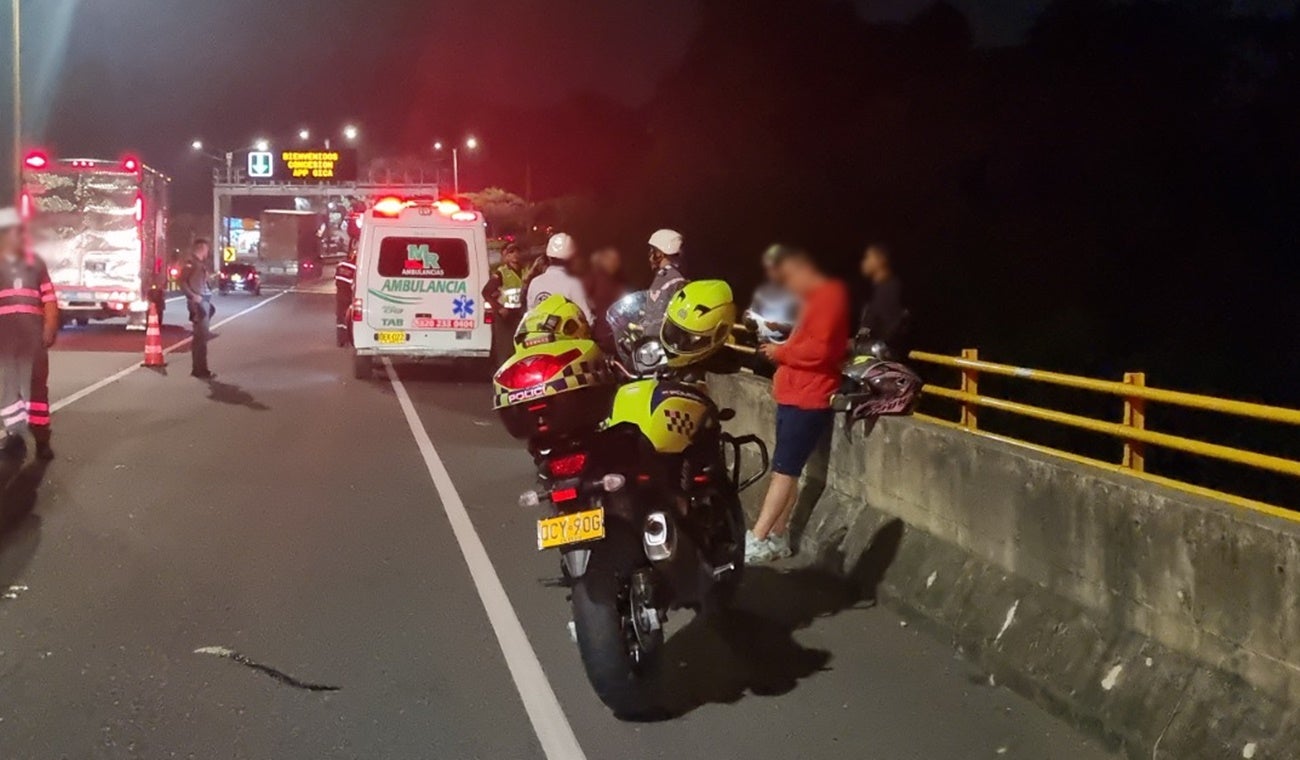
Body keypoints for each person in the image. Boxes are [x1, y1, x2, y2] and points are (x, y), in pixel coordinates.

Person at [749, 247, 849, 563]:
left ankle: (758, 538)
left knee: (783, 470)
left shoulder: (829, 298)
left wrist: (779, 353)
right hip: (794, 394)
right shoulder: (813, 300)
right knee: (788, 471)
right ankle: (778, 538)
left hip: (808, 398)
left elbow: (821, 351)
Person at [0, 207, 59, 460]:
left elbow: (49, 299)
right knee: (8, 388)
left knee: (36, 390)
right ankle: (14, 435)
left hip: (33, 339)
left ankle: (42, 437)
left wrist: (50, 327)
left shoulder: (35, 263)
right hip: (6, 339)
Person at [483, 243, 533, 362]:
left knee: (521, 347)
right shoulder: (501, 273)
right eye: (511, 253)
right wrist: (499, 308)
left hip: (521, 315)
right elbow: (486, 292)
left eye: (517, 252)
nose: (515, 255)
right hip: (505, 316)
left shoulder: (526, 271)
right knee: (505, 349)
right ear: (506, 256)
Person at [856, 243, 909, 357]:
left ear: (881, 260)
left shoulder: (891, 291)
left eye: (867, 257)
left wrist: (857, 345)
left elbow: (888, 338)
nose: (863, 262)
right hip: (870, 359)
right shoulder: (876, 291)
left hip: (881, 362)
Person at [525, 233, 591, 320]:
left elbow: (530, 316)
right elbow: (587, 319)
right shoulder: (574, 283)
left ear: (548, 257)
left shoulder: (535, 283)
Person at [180, 239, 215, 379]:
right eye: (206, 249)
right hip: (198, 303)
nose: (207, 251)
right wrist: (193, 296)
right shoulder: (191, 263)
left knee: (202, 337)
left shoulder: (200, 264)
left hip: (204, 301)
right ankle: (200, 370)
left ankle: (200, 368)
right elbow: (182, 281)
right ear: (201, 248)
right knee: (200, 338)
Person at [644, 228, 687, 336]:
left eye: (652, 251)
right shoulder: (668, 277)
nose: (650, 257)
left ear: (659, 254)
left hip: (660, 340)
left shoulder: (670, 279)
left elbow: (657, 318)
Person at [584, 246, 626, 352]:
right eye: (613, 261)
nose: (616, 264)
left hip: (613, 330)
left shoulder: (617, 280)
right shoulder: (593, 279)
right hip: (601, 331)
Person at [334, 247, 358, 346]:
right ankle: (348, 338)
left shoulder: (341, 264)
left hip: (340, 294)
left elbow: (336, 278)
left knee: (340, 317)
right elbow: (354, 283)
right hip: (349, 295)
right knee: (349, 317)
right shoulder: (355, 268)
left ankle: (341, 339)